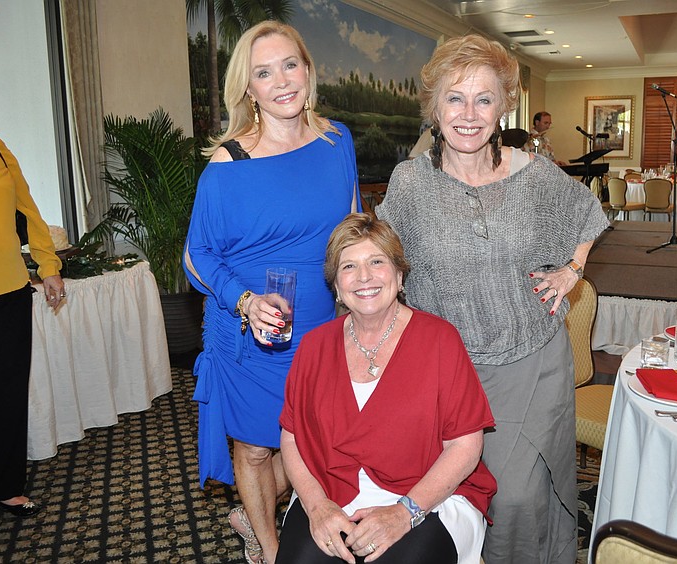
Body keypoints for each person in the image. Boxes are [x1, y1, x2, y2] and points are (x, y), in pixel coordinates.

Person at [375, 35, 609, 564]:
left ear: (503, 106)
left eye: (484, 99)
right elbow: (385, 257)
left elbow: (586, 214)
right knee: (449, 491)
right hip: (444, 367)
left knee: (518, 494)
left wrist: (572, 270)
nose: (469, 114)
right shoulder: (410, 183)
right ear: (434, 107)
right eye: (455, 98)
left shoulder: (533, 173)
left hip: (532, 357)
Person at [182, 22, 360, 564]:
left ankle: (252, 509)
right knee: (257, 447)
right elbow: (196, 257)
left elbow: (352, 225)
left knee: (315, 440)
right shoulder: (228, 165)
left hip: (323, 326)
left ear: (308, 70)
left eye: (289, 65)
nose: (281, 81)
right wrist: (245, 302)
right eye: (264, 72)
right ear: (249, 89)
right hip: (254, 329)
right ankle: (270, 546)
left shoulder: (336, 141)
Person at [276, 213, 496, 564]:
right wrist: (316, 506)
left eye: (376, 262)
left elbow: (465, 446)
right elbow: (291, 439)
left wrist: (404, 512)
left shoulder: (440, 340)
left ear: (399, 274)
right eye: (349, 266)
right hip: (330, 493)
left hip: (427, 496)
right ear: (336, 286)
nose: (364, 276)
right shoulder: (314, 346)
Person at [0, 53, 65, 531]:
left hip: (8, 294)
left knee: (4, 396)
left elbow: (30, 211)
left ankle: (6, 486)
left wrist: (49, 266)